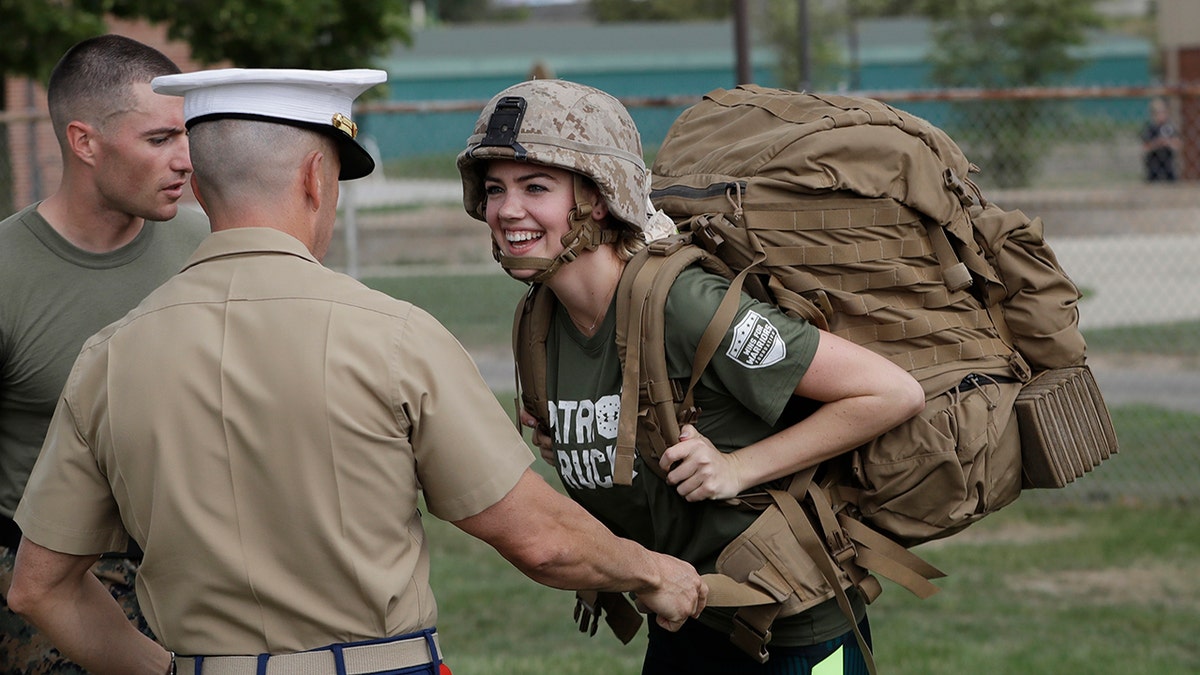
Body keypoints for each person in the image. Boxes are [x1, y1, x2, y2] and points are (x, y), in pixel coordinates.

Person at [6, 67, 706, 675]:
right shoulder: (393, 336)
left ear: (204, 186)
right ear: (316, 178)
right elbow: (538, 537)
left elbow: (39, 587)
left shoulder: (108, 355)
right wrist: (654, 571)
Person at [455, 79, 927, 674]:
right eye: (495, 189)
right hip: (685, 616)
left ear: (598, 199)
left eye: (536, 187)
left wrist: (737, 468)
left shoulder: (681, 302)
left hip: (795, 632)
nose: (507, 210)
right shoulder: (539, 319)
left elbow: (889, 392)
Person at [0, 34, 207, 674]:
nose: (185, 161)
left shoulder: (208, 244)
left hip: (197, 578)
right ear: (84, 142)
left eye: (186, 136)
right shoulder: (7, 271)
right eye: (158, 140)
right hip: (54, 595)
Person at [1141, 97, 1181, 182]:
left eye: (1163, 112)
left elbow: (1177, 144)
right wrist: (1158, 143)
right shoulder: (1150, 128)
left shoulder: (1170, 127)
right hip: (1154, 167)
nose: (1161, 115)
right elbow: (1145, 147)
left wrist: (1168, 142)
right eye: (1157, 113)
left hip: (1168, 167)